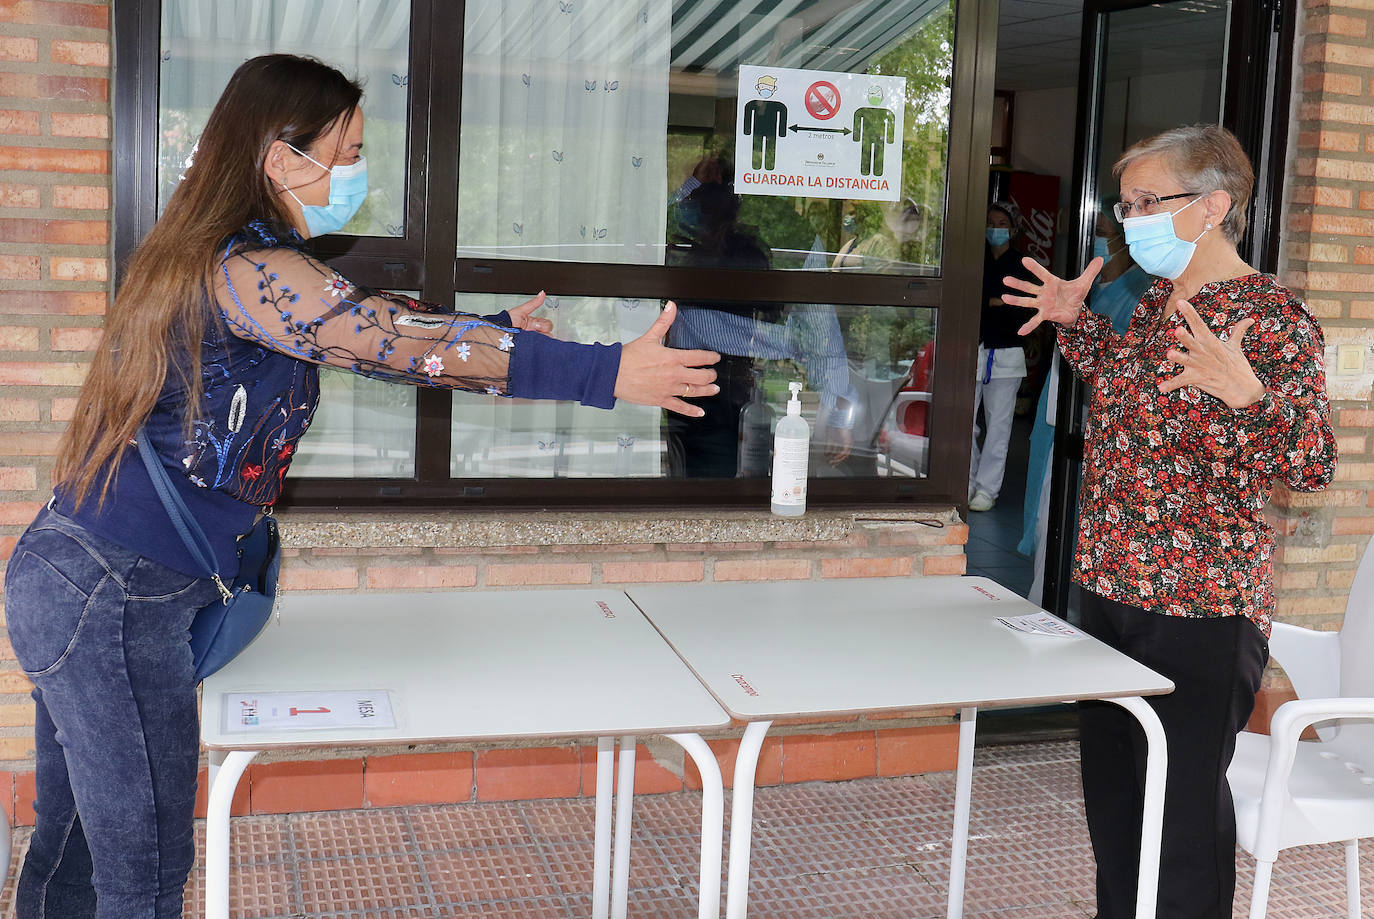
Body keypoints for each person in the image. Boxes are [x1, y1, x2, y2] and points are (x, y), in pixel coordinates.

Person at [3, 54, 720, 919]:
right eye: (346, 149)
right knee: (141, 871)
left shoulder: (230, 259)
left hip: (90, 580)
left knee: (78, 845)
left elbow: (369, 337)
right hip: (109, 592)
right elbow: (388, 337)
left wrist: (493, 332)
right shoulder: (245, 268)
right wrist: (603, 372)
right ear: (280, 158)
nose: (355, 169)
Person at [1004, 124, 1336, 919]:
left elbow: (1314, 466)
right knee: (1115, 803)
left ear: (1213, 206)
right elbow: (1132, 397)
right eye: (1125, 204)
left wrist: (1252, 397)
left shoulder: (1271, 317)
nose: (1130, 220)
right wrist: (1075, 326)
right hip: (1111, 590)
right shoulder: (1159, 299)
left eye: (1147, 201)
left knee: (1179, 818)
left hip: (1200, 610)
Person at [1018, 202, 1151, 602]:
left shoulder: (1144, 295)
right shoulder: (1090, 289)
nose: (1096, 234)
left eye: (1104, 227)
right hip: (1062, 423)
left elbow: (1124, 368)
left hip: (1099, 434)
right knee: (1049, 523)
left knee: (1081, 535)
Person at [968, 199, 1035, 512]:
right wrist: (993, 303)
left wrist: (997, 305)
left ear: (1013, 228)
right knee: (965, 422)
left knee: (999, 426)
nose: (994, 228)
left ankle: (987, 489)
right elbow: (973, 302)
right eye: (990, 222)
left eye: (1001, 224)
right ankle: (965, 481)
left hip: (1007, 354)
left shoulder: (1022, 264)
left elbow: (1026, 310)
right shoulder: (974, 259)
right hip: (973, 349)